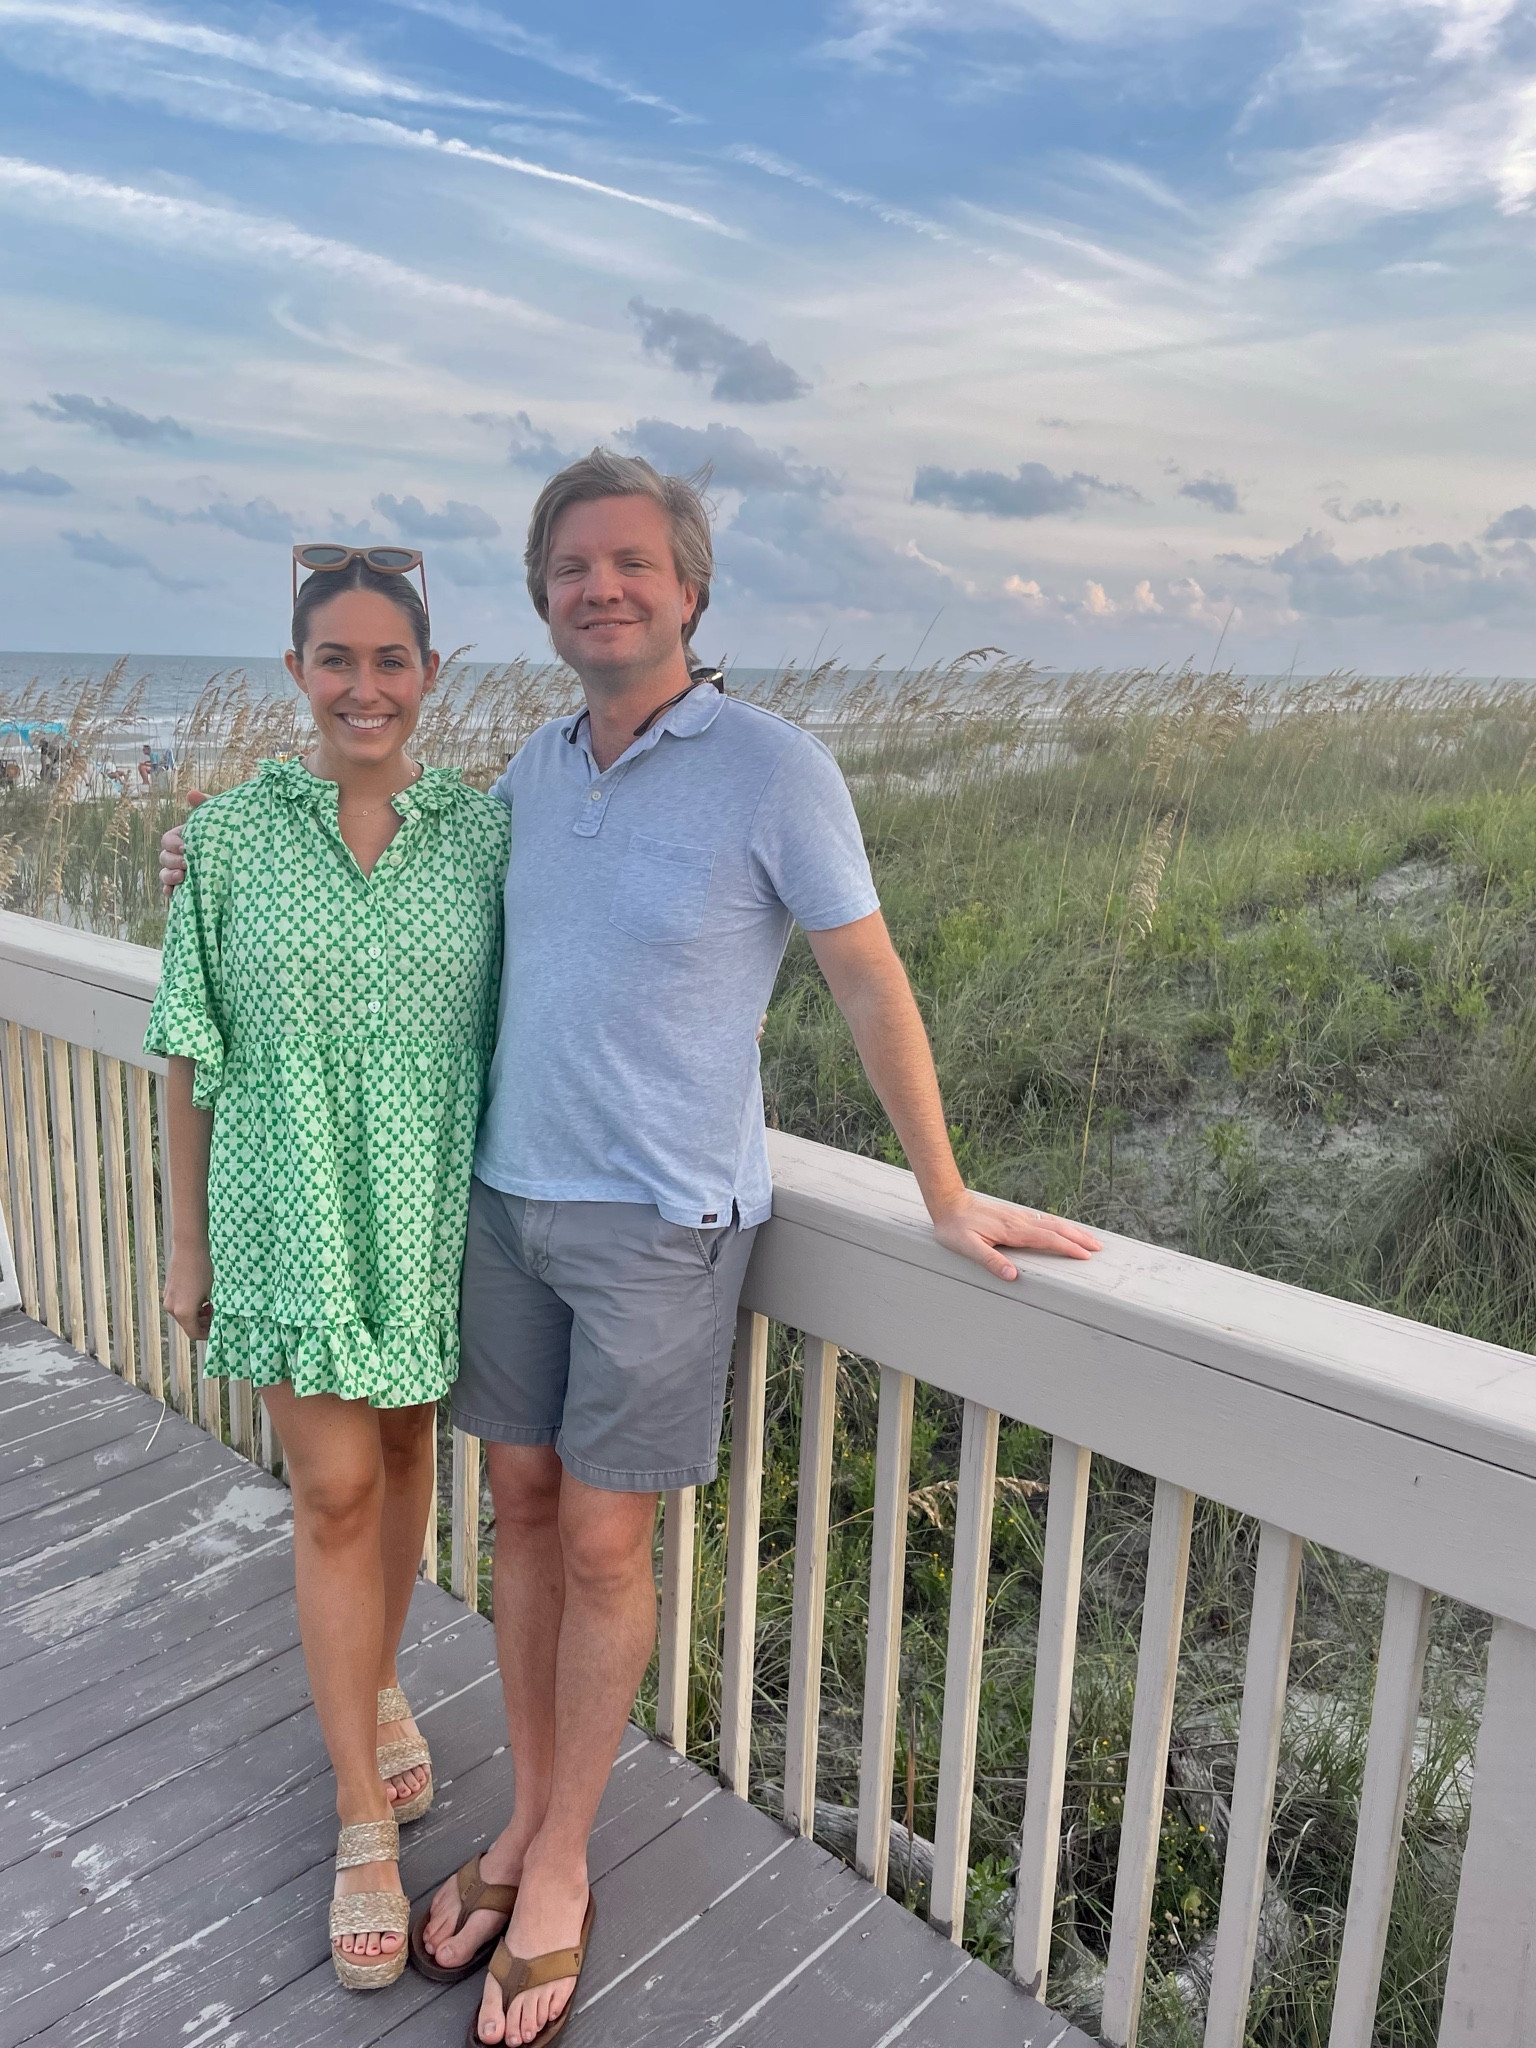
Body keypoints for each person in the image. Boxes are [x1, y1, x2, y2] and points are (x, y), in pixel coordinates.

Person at [164, 453, 1100, 2047]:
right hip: (503, 1203)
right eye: (572, 567)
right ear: (540, 601)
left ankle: (563, 1863)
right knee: (523, 1513)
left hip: (665, 1222)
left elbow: (868, 980)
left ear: (690, 589)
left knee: (604, 1548)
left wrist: (943, 1189)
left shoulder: (777, 768)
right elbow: (373, 865)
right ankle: (527, 1816)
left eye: (632, 563)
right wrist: (213, 856)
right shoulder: (528, 775)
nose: (602, 587)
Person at [148, 549, 509, 1991]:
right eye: (337, 659)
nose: (366, 687)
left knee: (409, 1458)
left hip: (425, 1216)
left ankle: (379, 1678)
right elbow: (188, 1046)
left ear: (430, 674)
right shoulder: (226, 841)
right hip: (283, 1209)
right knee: (336, 1489)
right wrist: (186, 1241)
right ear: (296, 671)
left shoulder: (484, 839)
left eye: (391, 660)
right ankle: (362, 1815)